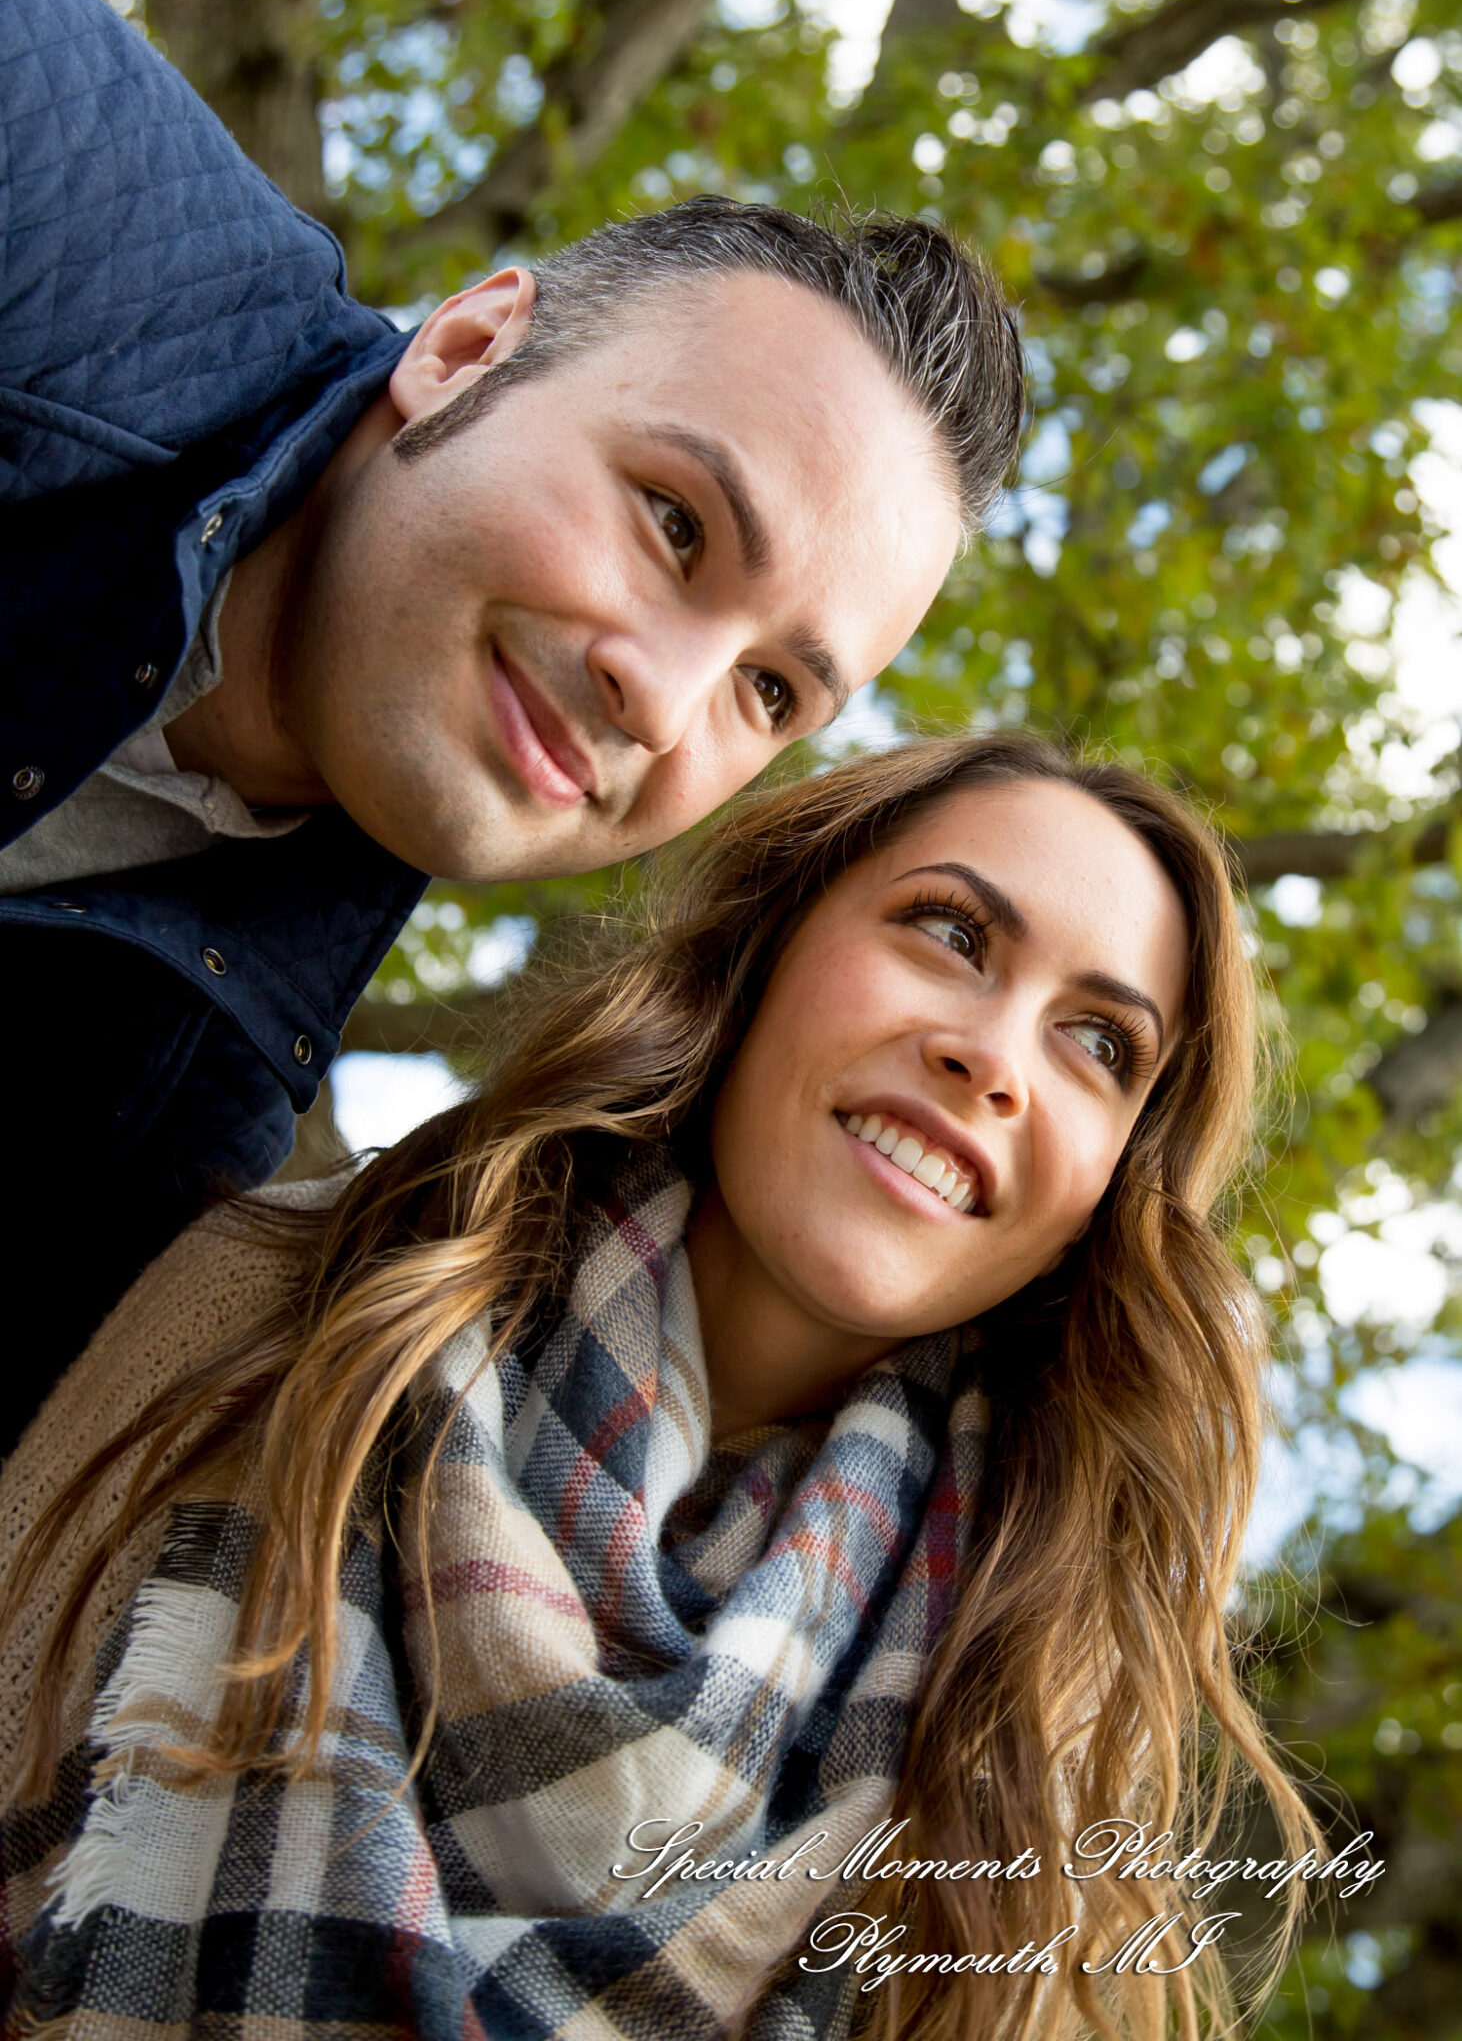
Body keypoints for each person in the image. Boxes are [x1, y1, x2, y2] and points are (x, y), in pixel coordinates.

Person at [0, 732, 1319, 2040]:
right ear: (766, 950)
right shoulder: (279, 1301)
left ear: (1109, 1189)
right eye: (950, 934)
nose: (995, 1059)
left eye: (1098, 1041)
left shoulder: (1031, 1730)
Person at [0, 0, 1023, 1441]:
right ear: (467, 349)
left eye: (765, 693)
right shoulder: (48, 175)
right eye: (675, 525)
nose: (661, 704)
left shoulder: (170, 1126)